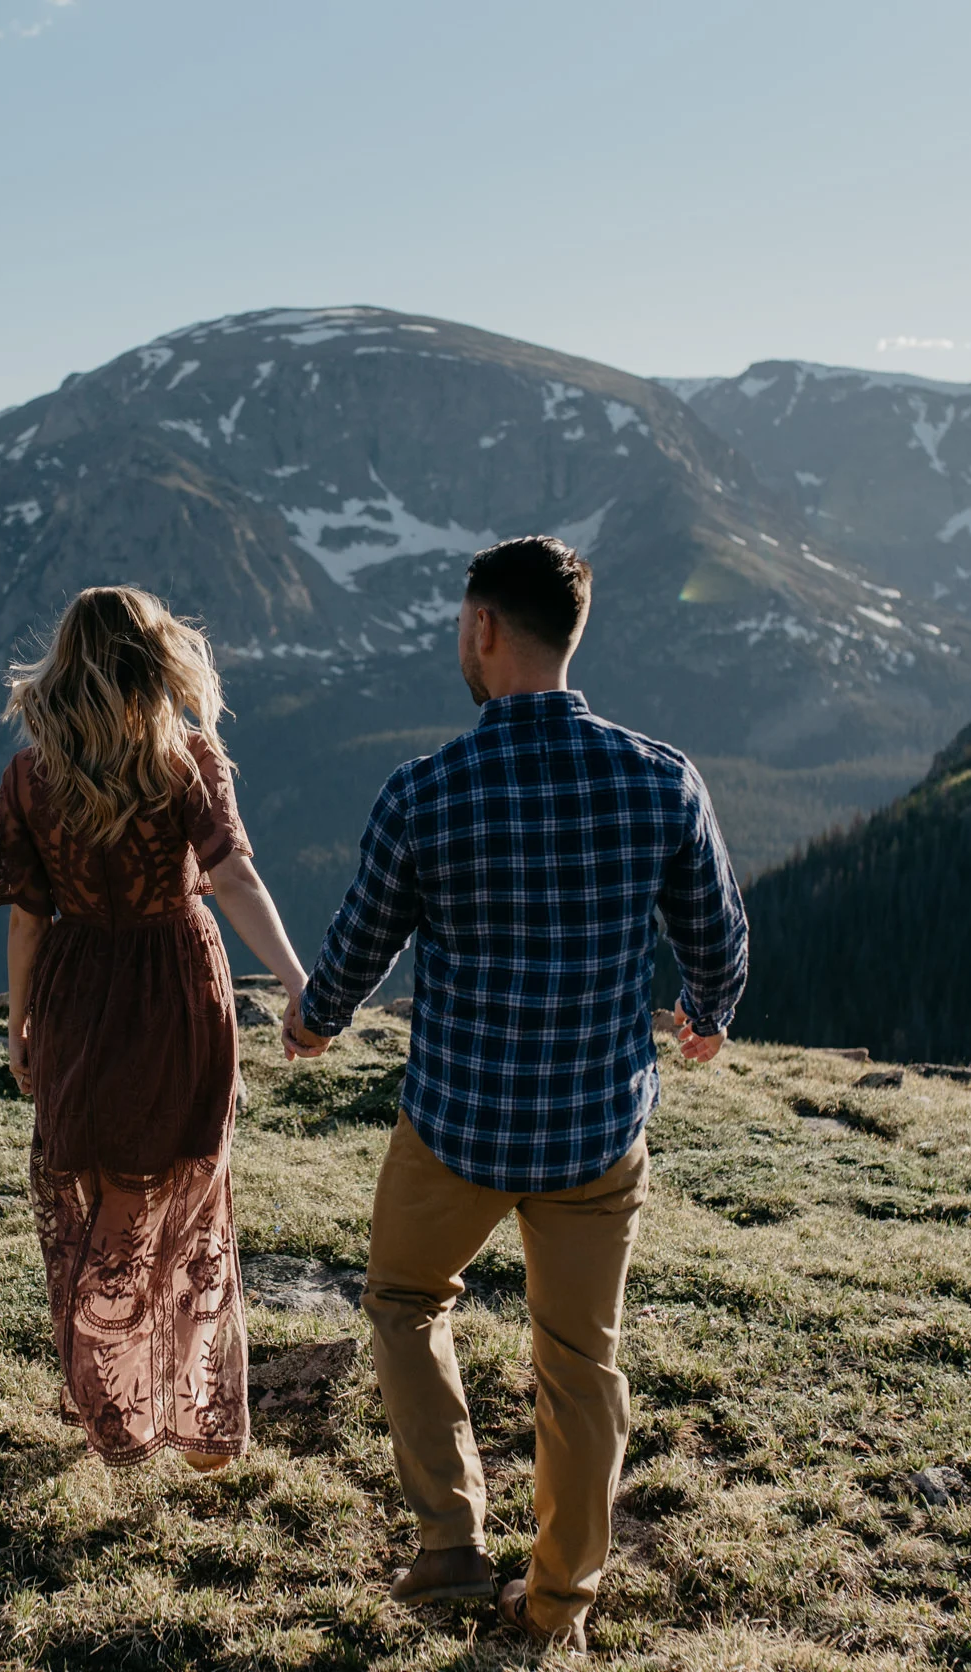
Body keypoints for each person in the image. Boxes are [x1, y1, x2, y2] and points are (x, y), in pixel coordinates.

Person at [284, 535, 748, 1652]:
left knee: (403, 1301)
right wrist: (708, 1012)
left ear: (485, 629)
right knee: (579, 1364)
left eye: (461, 623)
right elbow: (717, 937)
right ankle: (555, 1607)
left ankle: (448, 1544)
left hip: (453, 1127)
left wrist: (312, 1018)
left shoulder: (426, 790)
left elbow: (357, 948)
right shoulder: (657, 776)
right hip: (595, 1131)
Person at [0, 585, 315, 1471]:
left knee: (93, 1190)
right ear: (157, 660)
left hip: (79, 991)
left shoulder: (30, 777)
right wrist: (296, 981)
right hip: (178, 984)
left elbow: (25, 920)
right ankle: (196, 1419)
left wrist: (20, 1025)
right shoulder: (188, 760)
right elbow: (233, 874)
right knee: (190, 1198)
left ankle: (117, 1404)